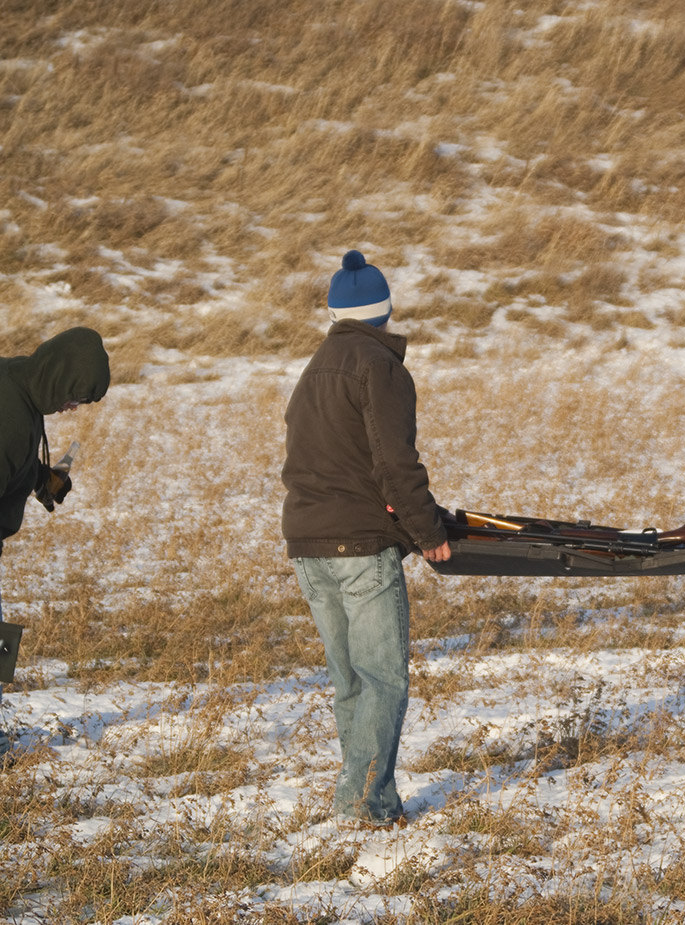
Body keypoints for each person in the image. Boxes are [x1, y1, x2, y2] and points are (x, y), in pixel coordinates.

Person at [281, 250, 451, 827]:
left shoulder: (315, 367)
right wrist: (428, 533)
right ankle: (365, 806)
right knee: (382, 678)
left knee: (352, 681)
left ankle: (366, 797)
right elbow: (394, 462)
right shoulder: (378, 366)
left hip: (307, 542)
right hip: (358, 546)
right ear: (385, 312)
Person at [1, 327, 110, 759]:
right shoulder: (9, 417)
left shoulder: (18, 382)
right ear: (57, 375)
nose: (70, 407)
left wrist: (39, 479)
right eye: (72, 395)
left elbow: (12, 461)